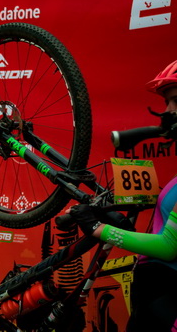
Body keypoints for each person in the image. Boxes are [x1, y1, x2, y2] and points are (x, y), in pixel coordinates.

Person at [70, 60, 177, 332]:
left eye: (175, 101)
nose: (168, 111)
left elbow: (168, 246)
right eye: (166, 102)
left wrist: (98, 228)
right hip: (156, 296)